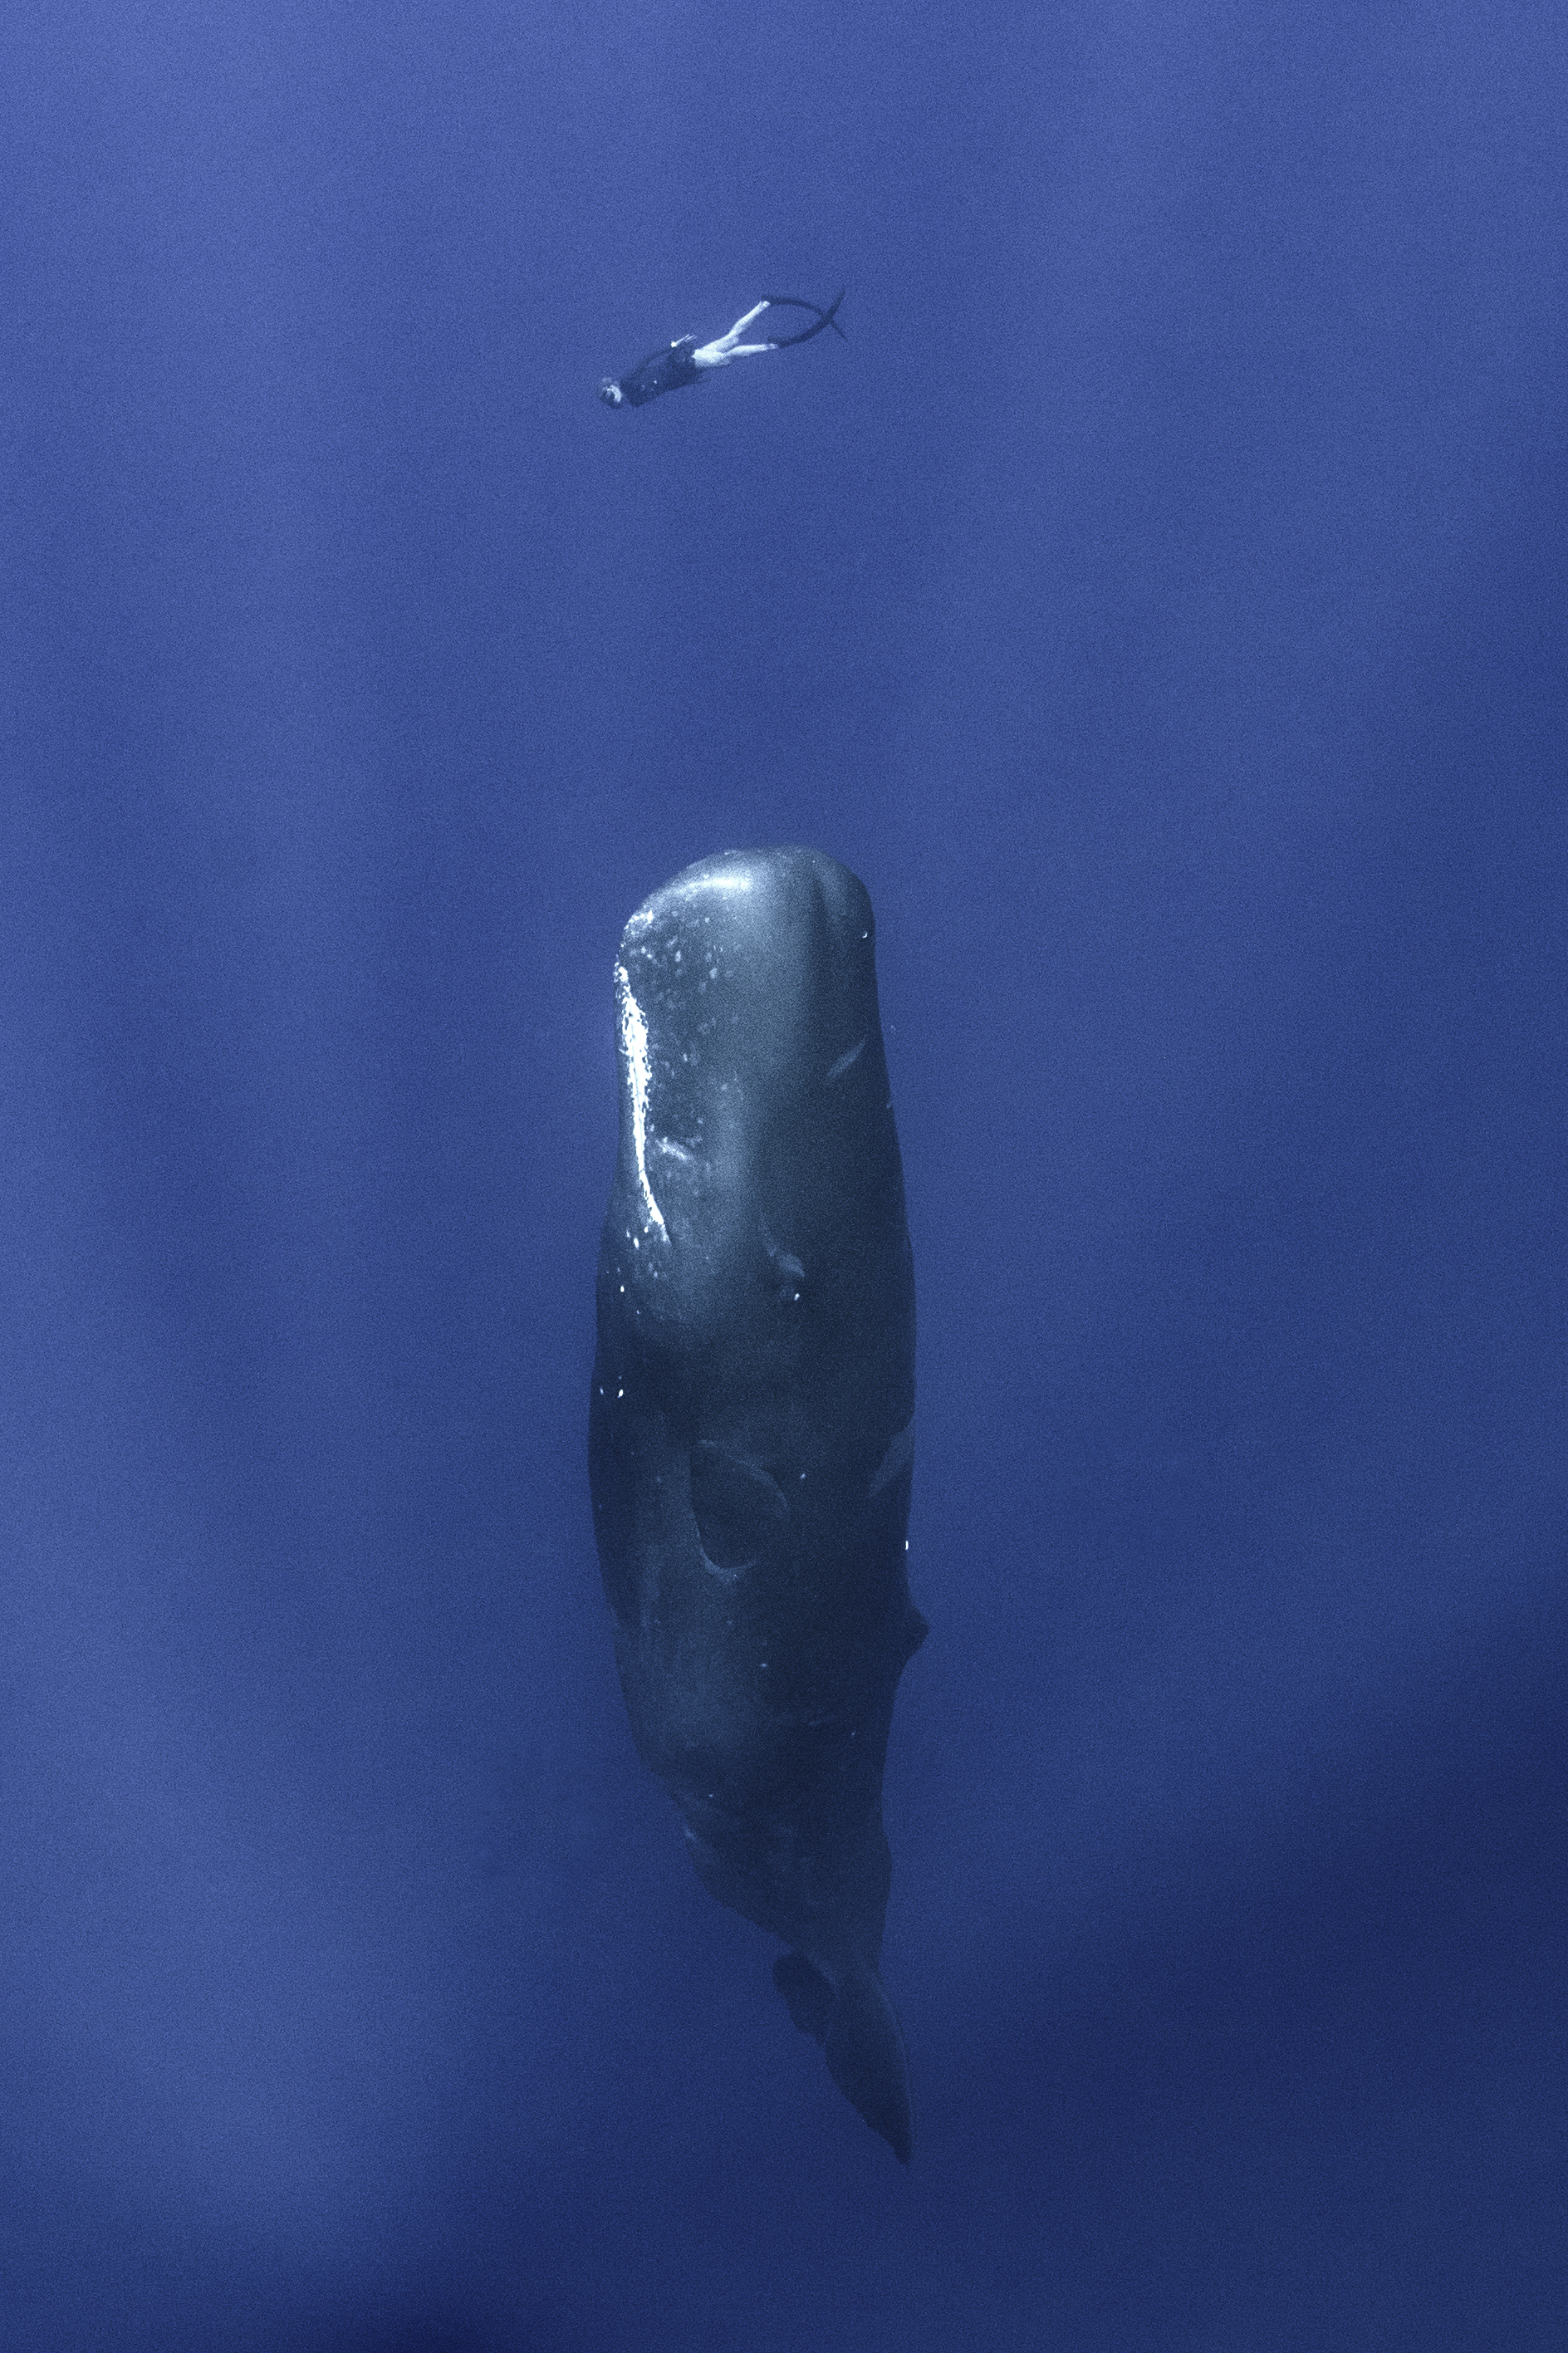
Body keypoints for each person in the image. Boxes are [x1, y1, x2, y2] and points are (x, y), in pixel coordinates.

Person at [599, 291, 845, 408]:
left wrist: (675, 344)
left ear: (612, 386)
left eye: (609, 394)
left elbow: (648, 359)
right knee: (732, 339)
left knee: (725, 359)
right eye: (610, 401)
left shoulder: (628, 381)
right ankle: (764, 304)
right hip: (686, 370)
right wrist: (690, 382)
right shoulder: (637, 400)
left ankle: (774, 344)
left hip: (681, 360)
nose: (613, 398)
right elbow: (666, 387)